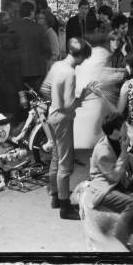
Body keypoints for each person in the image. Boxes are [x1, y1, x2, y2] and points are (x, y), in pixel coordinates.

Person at [44, 37, 94, 219]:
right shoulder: (70, 72)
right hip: (63, 119)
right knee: (66, 164)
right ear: (79, 56)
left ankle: (55, 197)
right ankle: (65, 206)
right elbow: (69, 104)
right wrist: (84, 96)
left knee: (56, 158)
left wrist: (55, 101)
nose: (83, 63)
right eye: (84, 59)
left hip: (52, 115)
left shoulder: (57, 65)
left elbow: (45, 89)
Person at [87, 113, 133, 249]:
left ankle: (125, 236)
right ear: (116, 132)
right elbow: (114, 177)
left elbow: (129, 170)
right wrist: (123, 152)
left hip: (117, 186)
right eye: (124, 127)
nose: (127, 129)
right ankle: (119, 246)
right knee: (132, 203)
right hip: (104, 189)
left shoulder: (119, 140)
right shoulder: (103, 151)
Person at [10, 1, 51, 90]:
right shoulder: (39, 28)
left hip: (17, 71)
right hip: (36, 70)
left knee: (20, 98)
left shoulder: (12, 27)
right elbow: (47, 50)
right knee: (35, 99)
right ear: (32, 12)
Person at [0, 27, 24, 118]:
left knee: (0, 115)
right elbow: (17, 75)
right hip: (12, 89)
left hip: (0, 87)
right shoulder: (16, 54)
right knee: (11, 115)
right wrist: (21, 94)